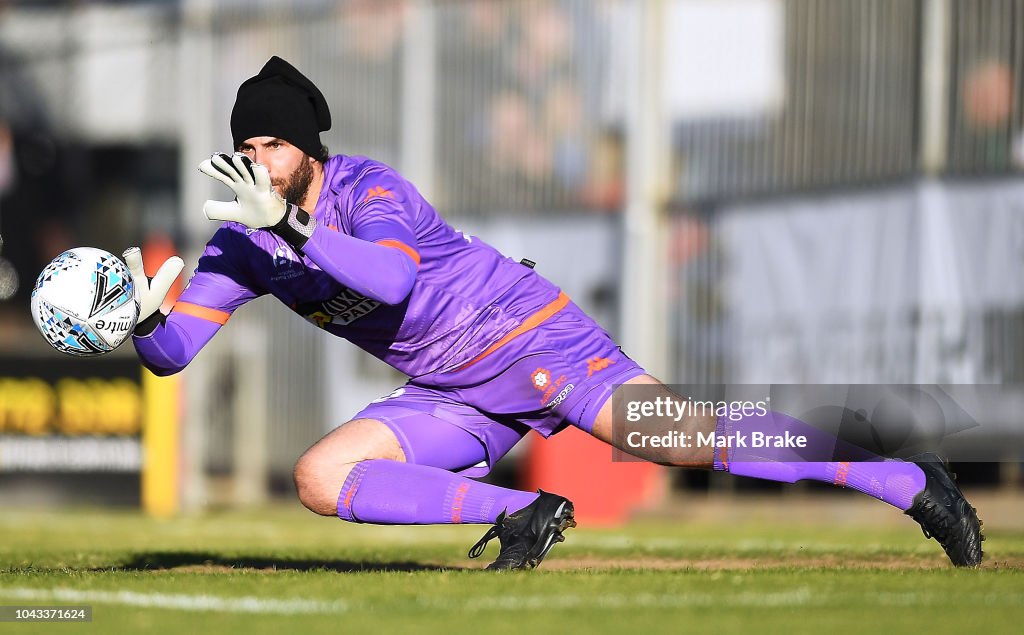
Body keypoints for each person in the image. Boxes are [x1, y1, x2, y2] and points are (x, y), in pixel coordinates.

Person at [126, 57, 983, 570]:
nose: (255, 159)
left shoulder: (368, 187)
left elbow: (387, 283)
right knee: (319, 476)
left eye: (271, 143)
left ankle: (905, 477)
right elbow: (174, 353)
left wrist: (290, 225)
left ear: (308, 148)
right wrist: (134, 322)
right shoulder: (244, 241)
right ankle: (518, 517)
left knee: (681, 437)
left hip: (532, 336)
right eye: (245, 147)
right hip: (452, 391)